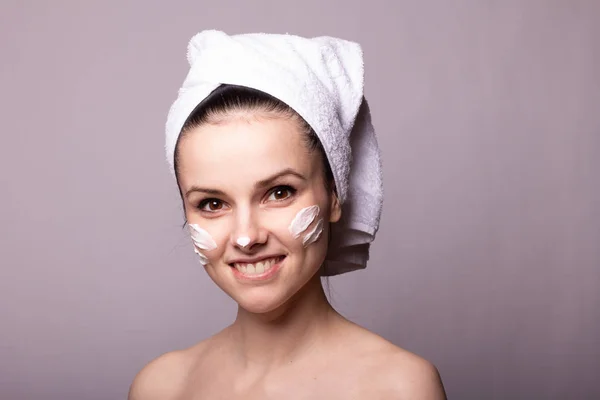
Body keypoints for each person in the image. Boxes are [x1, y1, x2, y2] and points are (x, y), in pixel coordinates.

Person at [129, 30, 447, 399]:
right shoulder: (161, 387)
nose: (246, 237)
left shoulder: (399, 387)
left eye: (279, 193)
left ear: (333, 195)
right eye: (213, 204)